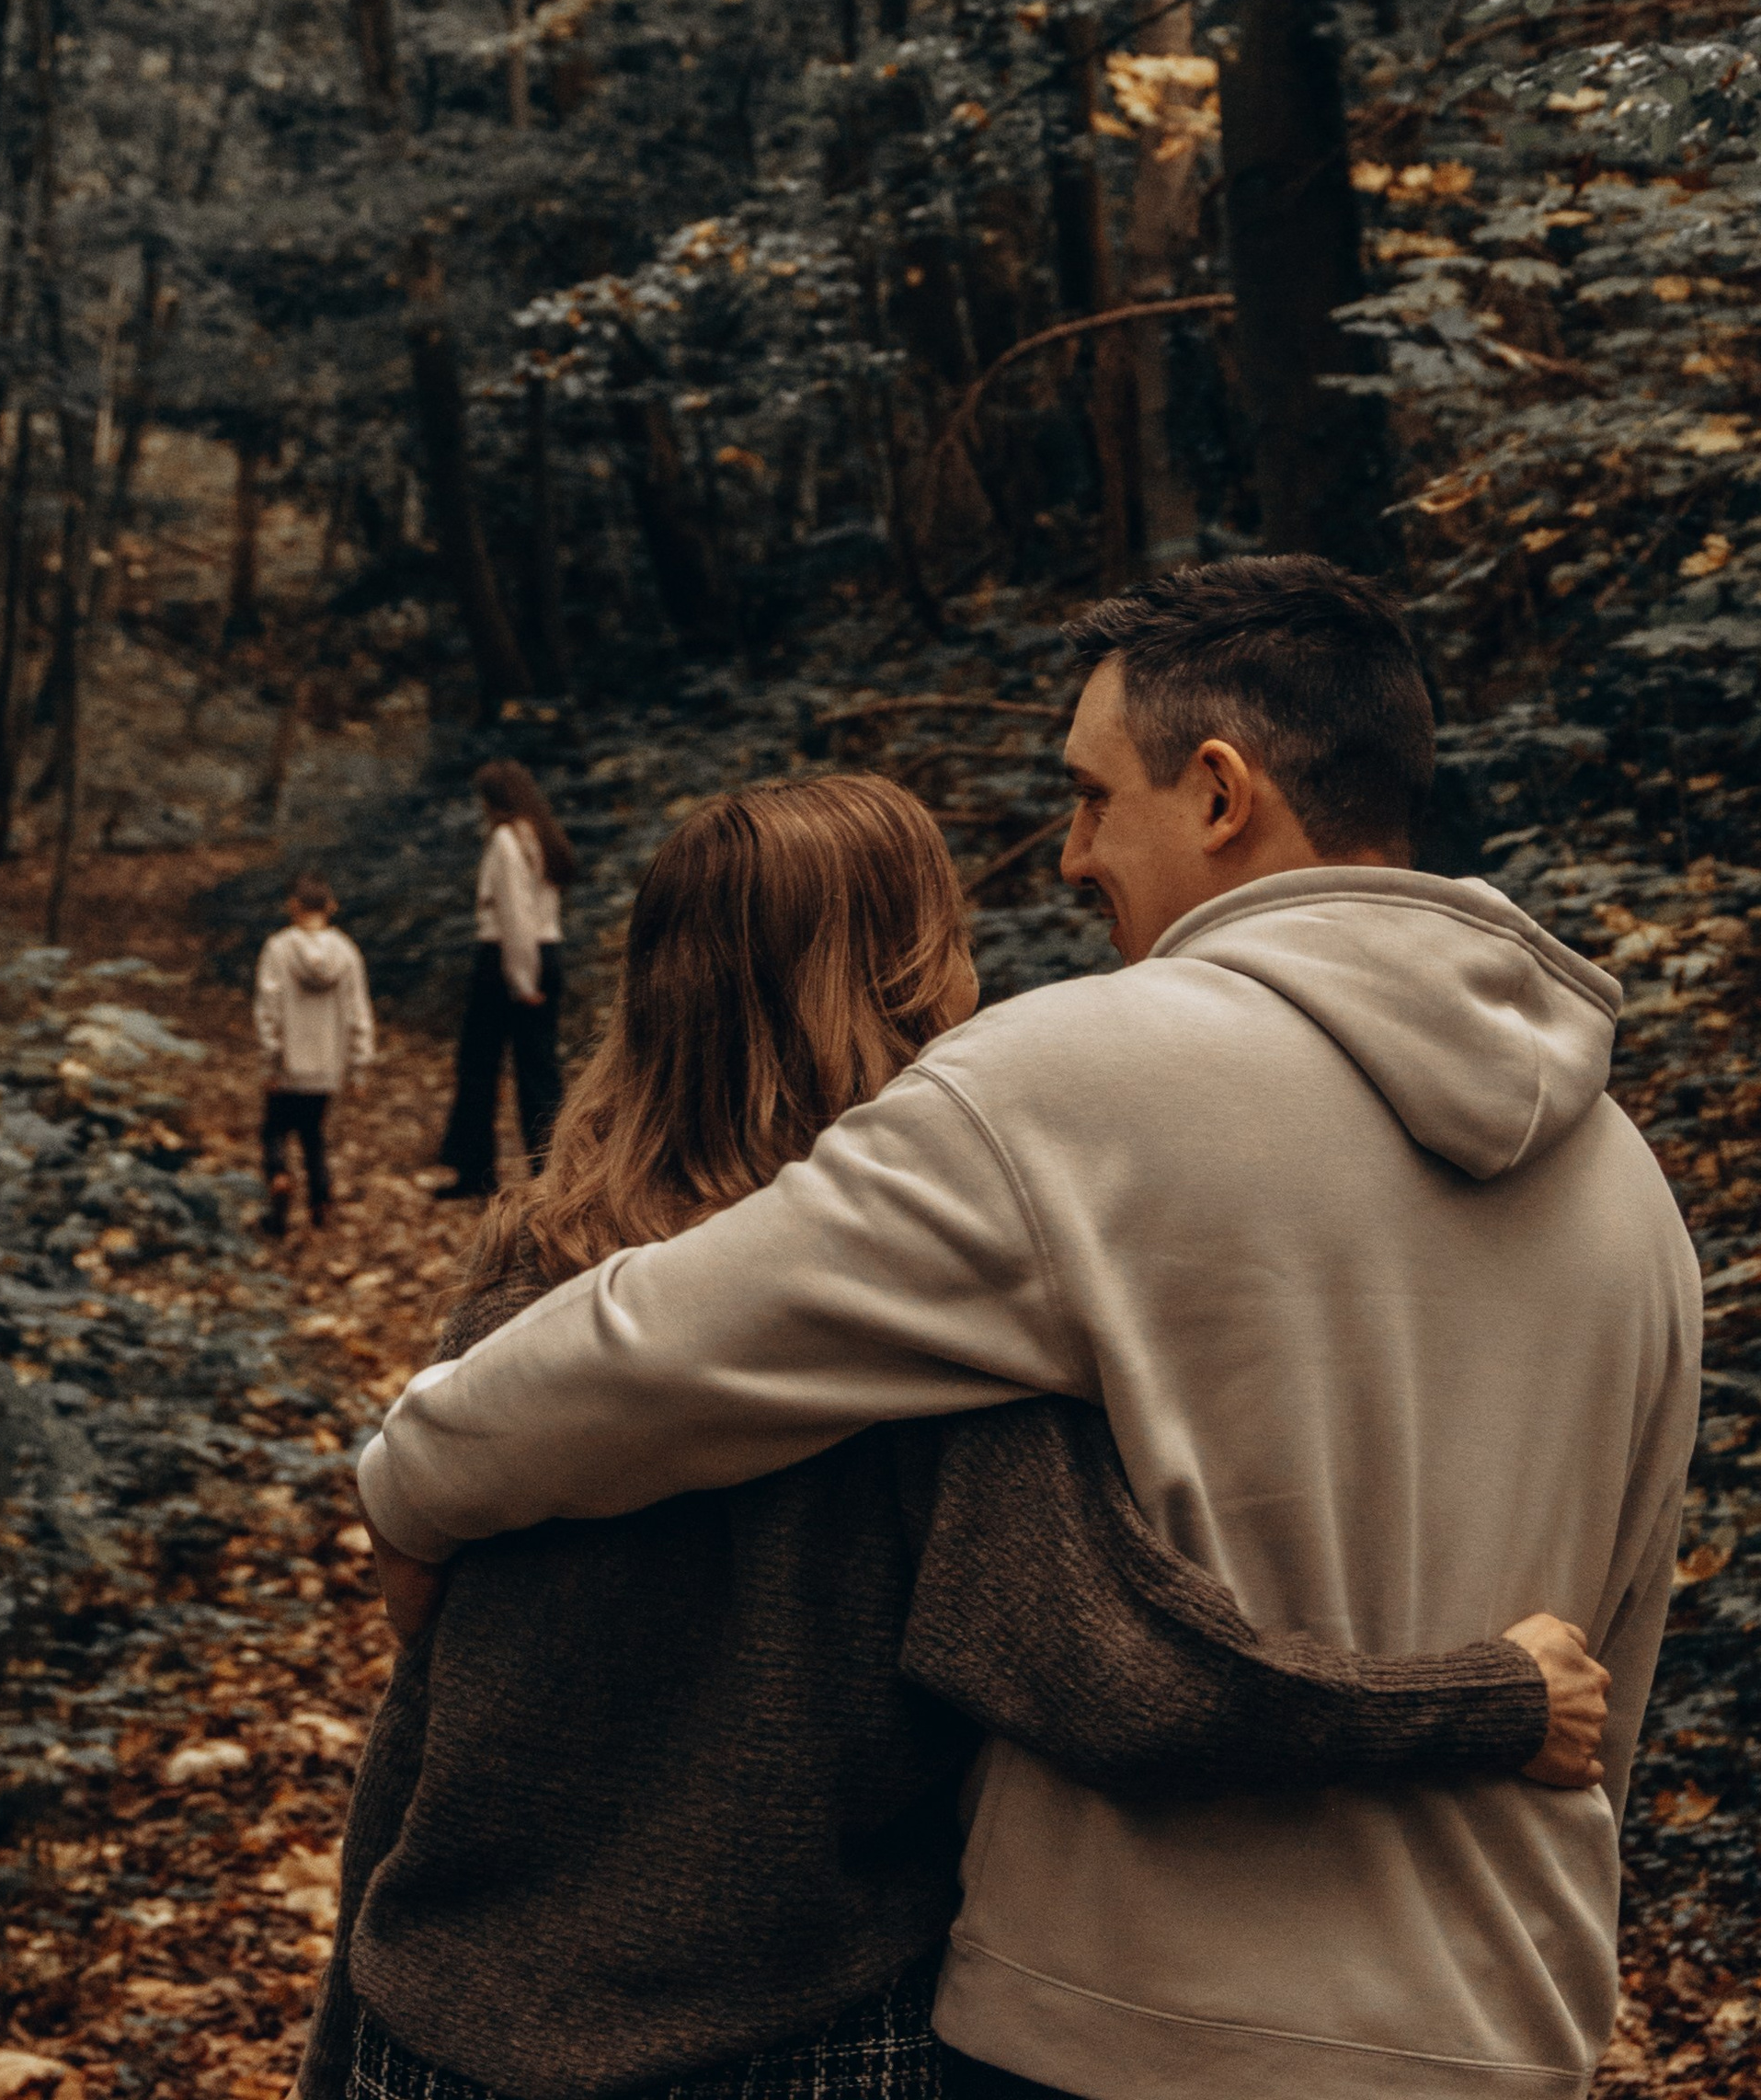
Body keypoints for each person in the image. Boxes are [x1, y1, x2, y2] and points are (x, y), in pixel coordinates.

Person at [359, 559, 1703, 2100]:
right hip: (1508, 2024)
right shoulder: (1627, 1184)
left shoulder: (1072, 1086)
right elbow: (1622, 1655)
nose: (1065, 857)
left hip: (1124, 2028)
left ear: (1218, 793)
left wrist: (412, 1470)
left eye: (1087, 797)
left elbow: (663, 1351)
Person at [432, 760, 571, 1201]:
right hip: (543, 954)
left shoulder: (508, 841)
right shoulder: (542, 837)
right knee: (539, 1069)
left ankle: (478, 1170)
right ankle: (553, 1172)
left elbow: (515, 917)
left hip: (509, 960)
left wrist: (521, 980)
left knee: (479, 1065)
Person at [253, 872, 374, 1237]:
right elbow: (358, 1012)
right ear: (330, 907)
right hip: (326, 1066)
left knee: (274, 1130)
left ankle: (278, 1177)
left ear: (293, 907)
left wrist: (270, 1060)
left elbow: (268, 1009)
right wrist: (358, 1067)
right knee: (313, 1135)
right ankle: (320, 1201)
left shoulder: (277, 949)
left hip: (289, 1065)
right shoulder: (347, 953)